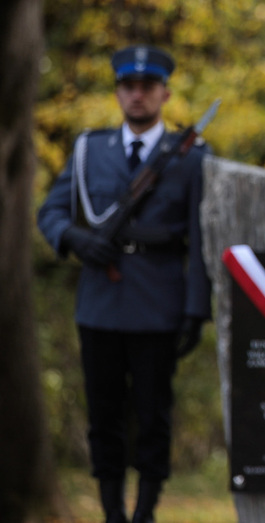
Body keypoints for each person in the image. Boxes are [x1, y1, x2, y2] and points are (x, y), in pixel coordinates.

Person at [37, 45, 212, 523]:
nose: (138, 95)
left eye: (147, 87)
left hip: (159, 302)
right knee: (104, 415)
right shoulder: (89, 150)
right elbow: (51, 211)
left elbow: (201, 238)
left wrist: (197, 308)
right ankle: (112, 512)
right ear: (118, 93)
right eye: (129, 87)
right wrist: (74, 238)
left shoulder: (191, 157)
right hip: (100, 302)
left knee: (154, 416)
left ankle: (145, 512)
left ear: (164, 94)